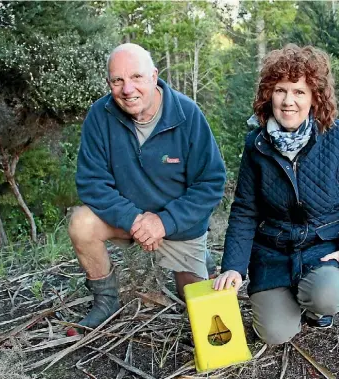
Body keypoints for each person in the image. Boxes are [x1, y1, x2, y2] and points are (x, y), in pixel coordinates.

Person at [213, 44, 339, 344]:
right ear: (270, 94)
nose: (288, 101)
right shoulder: (255, 144)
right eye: (281, 90)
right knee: (275, 334)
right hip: (272, 251)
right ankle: (289, 300)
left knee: (326, 297)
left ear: (314, 98)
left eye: (299, 92)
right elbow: (244, 210)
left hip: (322, 246)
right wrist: (233, 266)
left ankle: (315, 304)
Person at [68, 43, 226, 331]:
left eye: (136, 77)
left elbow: (211, 182)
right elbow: (92, 183)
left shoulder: (188, 114)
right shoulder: (99, 116)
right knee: (81, 223)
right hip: (128, 220)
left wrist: (164, 222)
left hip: (177, 225)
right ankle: (106, 302)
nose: (127, 89)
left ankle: (199, 259)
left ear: (154, 76)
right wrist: (135, 220)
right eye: (118, 80)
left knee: (201, 316)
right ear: (109, 83)